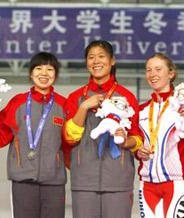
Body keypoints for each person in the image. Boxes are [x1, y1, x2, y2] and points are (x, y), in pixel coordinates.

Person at [0, 52, 67, 218]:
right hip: (23, 180)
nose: (44, 73)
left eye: (50, 69)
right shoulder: (17, 103)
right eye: (39, 68)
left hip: (54, 181)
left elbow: (70, 140)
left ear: (55, 74)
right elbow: (0, 136)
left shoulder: (63, 105)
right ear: (30, 73)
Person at [62, 40, 143, 218]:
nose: (96, 61)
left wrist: (125, 139)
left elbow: (137, 139)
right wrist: (83, 107)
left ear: (112, 61)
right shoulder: (75, 98)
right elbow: (69, 138)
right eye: (91, 57)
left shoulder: (126, 97)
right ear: (86, 63)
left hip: (118, 181)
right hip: (83, 181)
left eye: (101, 56)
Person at [136, 53, 184, 218]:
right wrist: (138, 152)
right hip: (147, 185)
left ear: (171, 73)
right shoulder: (141, 111)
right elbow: (137, 144)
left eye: (158, 69)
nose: (152, 74)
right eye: (148, 70)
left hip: (176, 184)